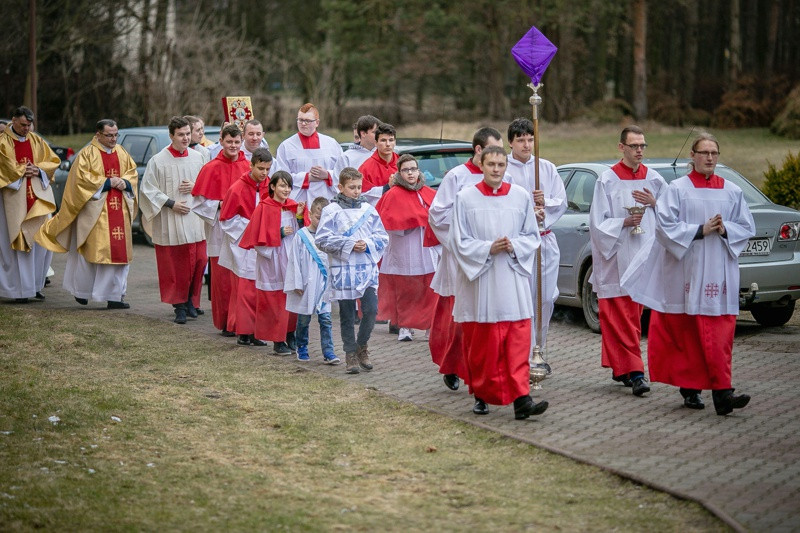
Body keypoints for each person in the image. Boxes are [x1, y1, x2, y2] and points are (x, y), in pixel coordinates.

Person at [622, 133, 755, 415]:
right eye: (704, 152)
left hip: (719, 271)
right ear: (692, 157)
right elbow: (665, 227)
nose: (709, 158)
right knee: (688, 336)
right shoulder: (678, 189)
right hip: (687, 271)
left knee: (719, 336)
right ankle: (691, 390)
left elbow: (746, 226)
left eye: (714, 153)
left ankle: (723, 393)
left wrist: (725, 228)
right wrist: (699, 230)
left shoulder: (732, 191)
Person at [451, 145, 547, 420]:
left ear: (506, 167)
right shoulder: (465, 198)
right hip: (482, 281)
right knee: (484, 346)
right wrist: (486, 249)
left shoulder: (520, 197)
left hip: (512, 279)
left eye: (501, 165)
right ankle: (482, 395)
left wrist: (514, 245)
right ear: (481, 165)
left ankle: (521, 400)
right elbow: (459, 240)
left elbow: (532, 235)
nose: (496, 170)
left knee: (516, 342)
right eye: (491, 164)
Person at [589, 125, 666, 396]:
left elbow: (672, 212)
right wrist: (624, 221)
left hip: (644, 255)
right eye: (634, 146)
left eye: (643, 146)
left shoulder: (655, 179)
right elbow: (597, 223)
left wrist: (655, 203)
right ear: (621, 147)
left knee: (633, 316)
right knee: (619, 317)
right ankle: (636, 373)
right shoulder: (607, 180)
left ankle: (621, 367)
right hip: (617, 257)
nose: (639, 151)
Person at [427, 126, 504, 393]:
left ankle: (482, 369)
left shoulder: (501, 177)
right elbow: (437, 215)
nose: (498, 161)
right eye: (493, 152)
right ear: (479, 150)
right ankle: (452, 364)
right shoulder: (457, 177)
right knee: (458, 318)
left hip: (493, 256)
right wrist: (465, 240)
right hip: (460, 257)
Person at [36, 119, 137, 308]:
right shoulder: (86, 154)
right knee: (90, 254)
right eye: (109, 135)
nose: (113, 139)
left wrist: (126, 183)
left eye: (116, 135)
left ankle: (114, 297)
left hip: (118, 212)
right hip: (94, 214)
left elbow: (132, 174)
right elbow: (80, 181)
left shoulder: (122, 152)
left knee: (118, 254)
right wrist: (107, 183)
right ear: (98, 134)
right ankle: (82, 291)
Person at [504, 118, 567, 374]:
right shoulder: (503, 167)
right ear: (511, 142)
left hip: (545, 240)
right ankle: (522, 353)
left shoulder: (546, 167)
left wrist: (545, 203)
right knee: (523, 299)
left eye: (530, 139)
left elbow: (561, 202)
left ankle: (539, 350)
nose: (526, 144)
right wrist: (530, 209)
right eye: (521, 140)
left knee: (545, 298)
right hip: (520, 244)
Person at [315, 167, 389, 374]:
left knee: (371, 310)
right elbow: (322, 239)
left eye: (359, 187)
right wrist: (348, 244)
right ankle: (350, 354)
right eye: (352, 187)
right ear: (340, 187)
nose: (357, 191)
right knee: (347, 314)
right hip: (343, 270)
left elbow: (382, 236)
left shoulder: (369, 209)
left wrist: (366, 244)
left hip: (366, 270)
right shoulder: (331, 211)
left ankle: (361, 345)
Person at [139, 116, 208, 324]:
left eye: (188, 134)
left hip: (195, 219)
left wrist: (195, 186)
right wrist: (170, 203)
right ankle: (178, 305)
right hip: (171, 219)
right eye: (181, 135)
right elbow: (148, 190)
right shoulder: (158, 161)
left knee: (198, 261)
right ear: (171, 136)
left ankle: (190, 301)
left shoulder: (199, 157)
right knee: (176, 264)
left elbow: (207, 185)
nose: (186, 138)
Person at [191, 124, 251, 336]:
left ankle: (240, 322)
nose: (233, 146)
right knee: (222, 279)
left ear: (241, 141)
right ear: (221, 141)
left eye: (237, 142)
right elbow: (198, 203)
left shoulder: (249, 167)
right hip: (219, 229)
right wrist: (219, 204)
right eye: (229, 142)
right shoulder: (211, 167)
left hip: (243, 229)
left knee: (242, 277)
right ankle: (226, 322)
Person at [239, 170, 304, 353]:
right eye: (282, 185)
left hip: (290, 258)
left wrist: (299, 216)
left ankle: (290, 335)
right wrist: (280, 233)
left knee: (292, 296)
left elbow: (302, 232)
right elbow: (256, 238)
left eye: (289, 186)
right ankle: (277, 341)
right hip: (273, 260)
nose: (286, 189)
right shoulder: (264, 207)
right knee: (275, 301)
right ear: (273, 187)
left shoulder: (292, 206)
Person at [375, 154, 439, 341]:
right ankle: (404, 326)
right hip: (403, 247)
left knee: (429, 288)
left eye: (413, 169)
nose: (410, 173)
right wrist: (408, 224)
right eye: (406, 170)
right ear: (399, 173)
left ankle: (429, 326)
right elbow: (384, 222)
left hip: (426, 248)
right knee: (406, 289)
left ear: (419, 171)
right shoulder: (392, 195)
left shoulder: (428, 192)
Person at [0, 106, 59, 302]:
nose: (27, 129)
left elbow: (51, 161)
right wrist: (20, 171)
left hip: (37, 199)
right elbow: (3, 167)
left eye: (29, 125)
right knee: (18, 243)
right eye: (23, 124)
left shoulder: (36, 140)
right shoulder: (3, 142)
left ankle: (35, 285)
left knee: (40, 243)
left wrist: (39, 170)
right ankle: (18, 290)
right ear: (13, 120)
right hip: (13, 202)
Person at [218, 147, 272, 347]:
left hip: (262, 244)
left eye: (267, 169)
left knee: (259, 289)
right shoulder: (237, 188)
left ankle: (256, 331)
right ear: (251, 165)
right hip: (242, 245)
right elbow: (226, 220)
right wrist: (251, 227)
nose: (264, 173)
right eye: (260, 168)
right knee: (244, 290)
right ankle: (243, 331)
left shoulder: (270, 187)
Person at [284, 196, 340, 364]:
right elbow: (294, 261)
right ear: (310, 214)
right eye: (318, 217)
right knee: (304, 318)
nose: (321, 221)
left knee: (326, 319)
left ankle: (328, 351)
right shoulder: (301, 236)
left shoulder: (330, 237)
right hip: (307, 284)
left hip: (324, 285)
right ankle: (302, 346)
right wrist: (297, 283)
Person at [273, 103, 342, 206]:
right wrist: (306, 178)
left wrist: (327, 175)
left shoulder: (332, 144)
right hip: (299, 202)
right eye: (300, 120)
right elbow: (280, 176)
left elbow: (343, 171)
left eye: (308, 121)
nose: (303, 124)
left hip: (328, 200)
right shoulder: (286, 146)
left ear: (317, 123)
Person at [358, 122, 398, 205]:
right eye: (383, 140)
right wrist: (387, 187)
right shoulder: (365, 168)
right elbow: (361, 197)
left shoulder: (403, 163)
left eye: (391, 140)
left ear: (395, 142)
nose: (388, 144)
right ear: (376, 143)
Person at [333, 115, 380, 181]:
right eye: (375, 132)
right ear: (363, 134)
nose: (378, 135)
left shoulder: (384, 154)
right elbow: (338, 183)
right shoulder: (347, 157)